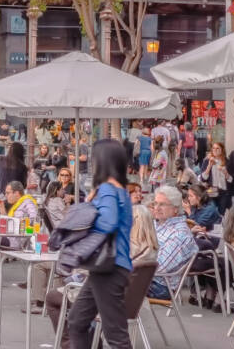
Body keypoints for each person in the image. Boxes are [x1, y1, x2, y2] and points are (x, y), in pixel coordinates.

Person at [66, 140, 133, 349]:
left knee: (115, 334)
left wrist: (87, 216)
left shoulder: (107, 189)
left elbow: (108, 222)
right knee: (77, 320)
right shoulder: (120, 190)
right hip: (110, 266)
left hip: (109, 267)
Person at [147, 185, 197, 300]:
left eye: (162, 204)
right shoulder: (156, 224)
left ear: (175, 208)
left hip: (160, 286)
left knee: (107, 282)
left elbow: (159, 267)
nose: (157, 208)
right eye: (155, 203)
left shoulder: (180, 234)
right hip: (145, 278)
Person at [199, 142, 231, 213]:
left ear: (222, 150)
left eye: (217, 148)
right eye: (213, 148)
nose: (215, 150)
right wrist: (209, 166)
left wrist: (225, 172)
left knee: (222, 212)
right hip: (211, 190)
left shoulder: (227, 161)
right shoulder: (207, 161)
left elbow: (230, 179)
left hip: (223, 191)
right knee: (211, 211)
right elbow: (203, 178)